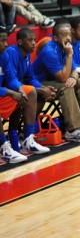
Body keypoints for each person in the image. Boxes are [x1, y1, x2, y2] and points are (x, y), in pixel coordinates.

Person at [33, 21, 80, 142]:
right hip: (41, 83)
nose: (67, 38)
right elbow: (62, 78)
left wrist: (73, 77)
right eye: (64, 35)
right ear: (55, 37)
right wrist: (70, 55)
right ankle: (73, 130)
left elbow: (75, 70)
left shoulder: (65, 47)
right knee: (66, 87)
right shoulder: (50, 51)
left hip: (55, 80)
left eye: (69, 35)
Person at [0, 27, 50, 163]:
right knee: (22, 93)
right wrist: (11, 92)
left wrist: (20, 89)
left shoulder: (3, 55)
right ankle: (4, 147)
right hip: (4, 92)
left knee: (29, 92)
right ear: (21, 42)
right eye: (3, 40)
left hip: (3, 93)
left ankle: (27, 138)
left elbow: (11, 77)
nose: (6, 44)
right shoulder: (10, 52)